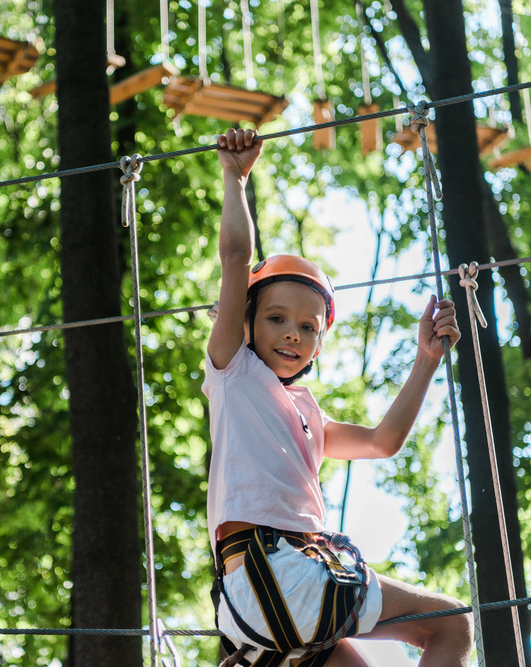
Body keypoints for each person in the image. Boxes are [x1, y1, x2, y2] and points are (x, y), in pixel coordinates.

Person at [205, 129, 474, 667]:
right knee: (451, 627)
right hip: (276, 574)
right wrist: (235, 178)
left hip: (269, 596)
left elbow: (383, 441)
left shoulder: (307, 413)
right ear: (247, 323)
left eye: (308, 327)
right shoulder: (233, 372)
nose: (292, 335)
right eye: (277, 319)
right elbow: (236, 258)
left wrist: (426, 360)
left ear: (319, 343)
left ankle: (268, 657)